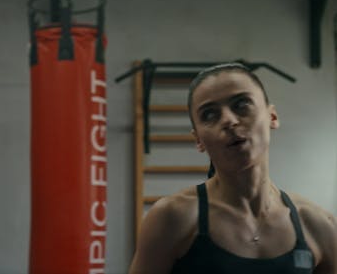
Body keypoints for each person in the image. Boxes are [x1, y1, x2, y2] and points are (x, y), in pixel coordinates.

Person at [129, 63, 337, 274]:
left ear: (272, 117)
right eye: (210, 115)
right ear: (199, 140)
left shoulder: (318, 224)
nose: (228, 120)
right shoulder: (172, 218)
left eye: (241, 104)